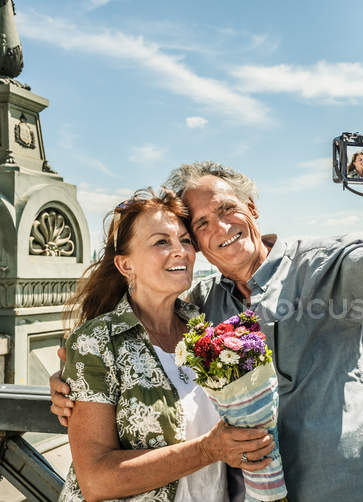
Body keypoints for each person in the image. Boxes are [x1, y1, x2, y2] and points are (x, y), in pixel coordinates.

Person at [51, 130, 363, 501]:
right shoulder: (201, 309)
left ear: (253, 209)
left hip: (344, 488)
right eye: (201, 224)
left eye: (227, 209)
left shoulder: (324, 268)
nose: (220, 226)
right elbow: (131, 336)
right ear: (200, 246)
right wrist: (72, 381)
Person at [56, 188, 274, 502]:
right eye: (161, 242)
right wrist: (208, 450)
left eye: (185, 240)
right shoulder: (96, 342)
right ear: (125, 265)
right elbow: (96, 480)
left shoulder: (205, 330)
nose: (180, 251)